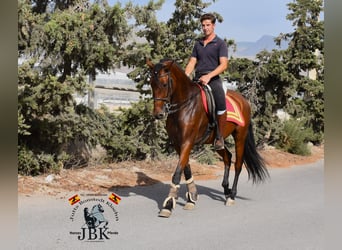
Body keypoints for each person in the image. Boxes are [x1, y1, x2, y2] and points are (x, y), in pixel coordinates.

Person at [185, 13, 228, 150]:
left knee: (220, 103)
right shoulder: (198, 44)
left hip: (213, 79)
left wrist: (209, 76)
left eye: (208, 25)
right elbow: (192, 61)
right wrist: (186, 74)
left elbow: (223, 65)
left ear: (213, 26)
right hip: (198, 78)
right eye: (203, 25)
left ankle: (220, 137)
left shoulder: (220, 44)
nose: (205, 28)